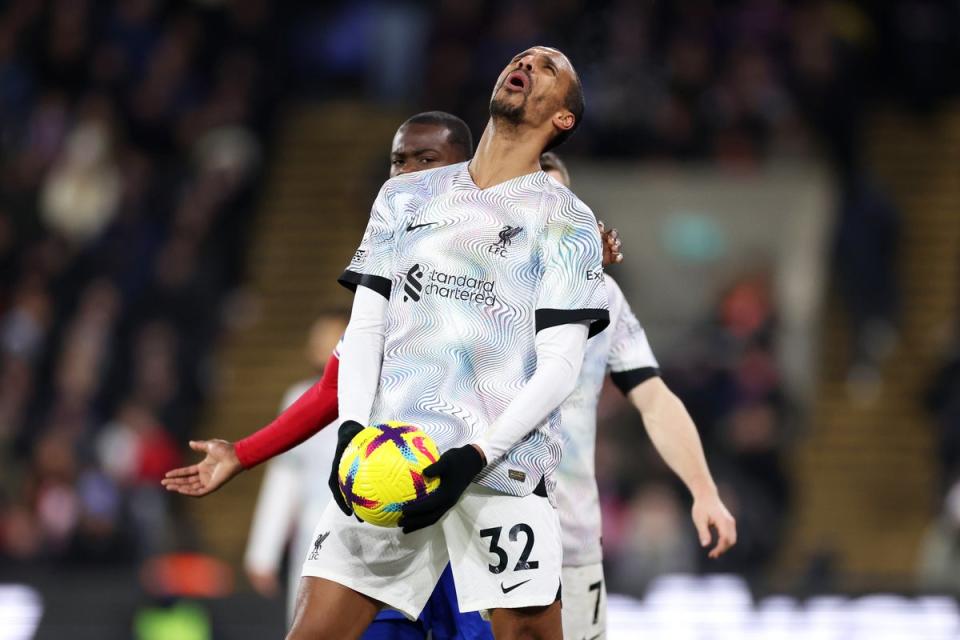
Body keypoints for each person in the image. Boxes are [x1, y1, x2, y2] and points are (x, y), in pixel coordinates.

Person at [305, 45, 608, 639]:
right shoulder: (403, 197)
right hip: (392, 463)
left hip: (501, 475)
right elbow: (366, 328)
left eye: (548, 67)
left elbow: (560, 367)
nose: (526, 64)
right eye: (522, 57)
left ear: (562, 118)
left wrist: (474, 456)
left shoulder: (569, 223)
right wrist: (350, 431)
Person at [539, 152, 737, 639]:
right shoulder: (466, 289)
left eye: (562, 201)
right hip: (472, 532)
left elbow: (654, 398)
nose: (551, 213)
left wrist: (703, 489)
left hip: (572, 536)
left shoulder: (602, 296)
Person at [243, 315, 346, 621]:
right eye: (317, 336)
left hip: (362, 523)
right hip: (311, 529)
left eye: (332, 335)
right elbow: (284, 476)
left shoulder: (375, 393)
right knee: (305, 622)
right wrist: (263, 550)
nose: (321, 343)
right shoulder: (296, 397)